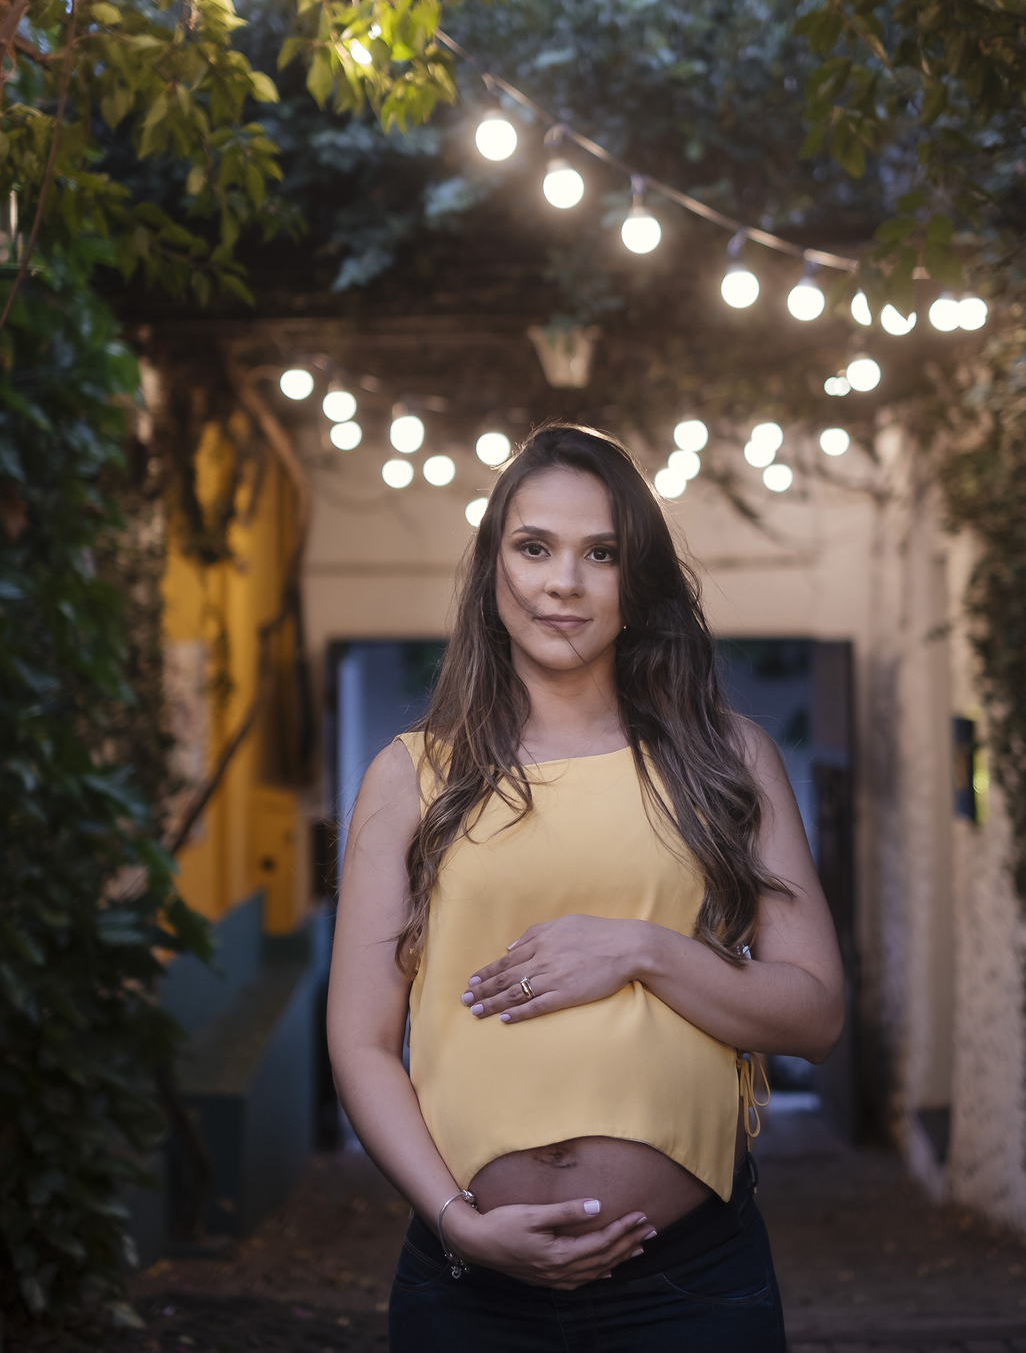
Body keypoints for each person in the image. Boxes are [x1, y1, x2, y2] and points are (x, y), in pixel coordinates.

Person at [327, 423, 844, 1351]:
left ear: (637, 581)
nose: (564, 582)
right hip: (468, 1288)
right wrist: (457, 1223)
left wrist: (643, 949)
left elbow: (815, 1015)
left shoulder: (728, 759)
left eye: (600, 553)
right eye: (534, 548)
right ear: (493, 571)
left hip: (687, 1285)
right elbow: (362, 1044)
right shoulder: (410, 778)